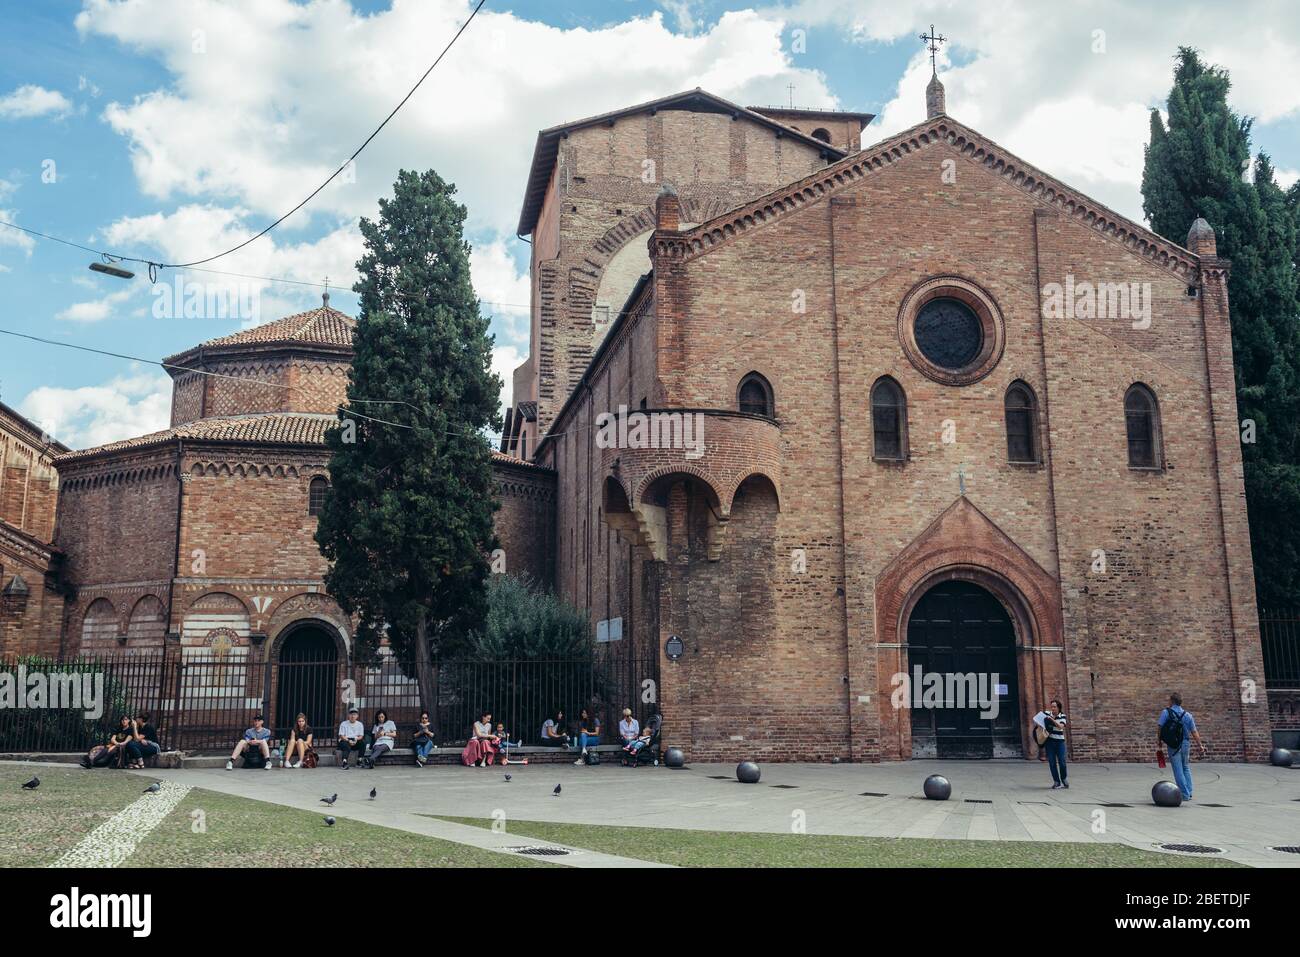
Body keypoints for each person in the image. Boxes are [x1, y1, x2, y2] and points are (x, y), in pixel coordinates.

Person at [1158, 692, 1207, 801]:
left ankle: (1184, 794)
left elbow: (1160, 728)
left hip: (1173, 745)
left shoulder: (1166, 712)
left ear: (1172, 701)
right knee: (1185, 767)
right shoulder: (1188, 715)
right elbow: (1194, 732)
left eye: (1169, 700)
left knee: (1178, 769)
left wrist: (1159, 742)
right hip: (1185, 743)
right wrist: (1200, 746)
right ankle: (1189, 792)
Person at [1032, 700, 1068, 789]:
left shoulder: (1062, 716)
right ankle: (1056, 781)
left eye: (1054, 707)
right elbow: (1036, 719)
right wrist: (1038, 724)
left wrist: (1052, 720)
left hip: (1060, 742)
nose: (1052, 708)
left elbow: (1061, 727)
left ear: (1059, 707)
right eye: (1051, 706)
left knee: (1062, 761)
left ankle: (1064, 779)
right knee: (1052, 762)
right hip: (1049, 742)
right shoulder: (1047, 713)